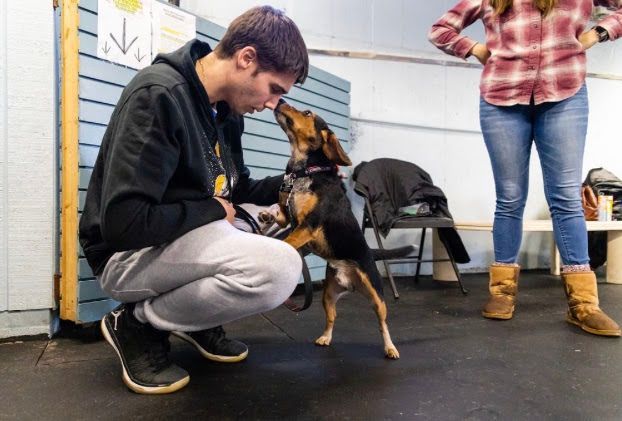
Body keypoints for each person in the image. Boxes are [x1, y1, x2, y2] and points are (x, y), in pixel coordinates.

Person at [79, 6, 309, 394]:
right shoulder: (159, 96)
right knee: (280, 269)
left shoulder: (226, 112)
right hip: (126, 255)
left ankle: (194, 319)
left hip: (181, 236)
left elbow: (233, 191)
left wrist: (299, 181)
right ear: (246, 58)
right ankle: (137, 326)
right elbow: (124, 224)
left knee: (287, 213)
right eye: (274, 89)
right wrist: (212, 210)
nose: (272, 105)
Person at [429, 0, 621, 336]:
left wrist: (598, 32)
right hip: (501, 99)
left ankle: (584, 304)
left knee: (566, 197)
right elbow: (440, 30)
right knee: (510, 197)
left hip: (565, 94)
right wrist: (474, 48)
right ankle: (502, 292)